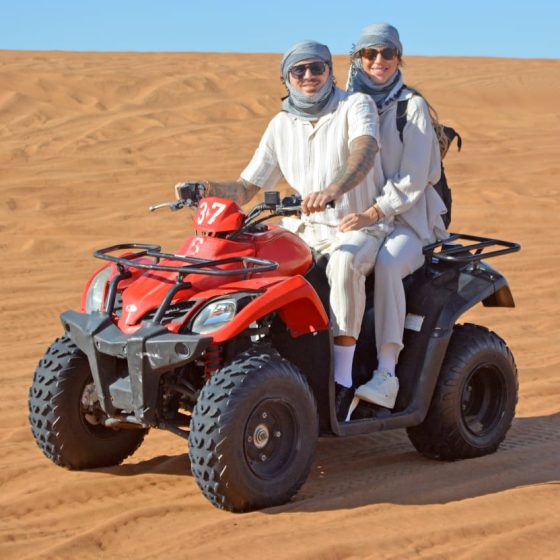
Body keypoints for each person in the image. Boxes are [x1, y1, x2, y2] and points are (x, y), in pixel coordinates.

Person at [175, 40, 392, 418]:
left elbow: (365, 150)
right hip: (302, 229)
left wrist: (334, 189)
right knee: (250, 261)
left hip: (355, 226)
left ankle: (341, 382)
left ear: (330, 72)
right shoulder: (281, 125)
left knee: (343, 265)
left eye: (317, 67)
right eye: (299, 70)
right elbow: (246, 188)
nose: (309, 76)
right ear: (286, 78)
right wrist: (205, 189)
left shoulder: (355, 105)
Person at [344, 23, 448, 411]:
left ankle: (386, 373)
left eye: (387, 53)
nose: (379, 61)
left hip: (410, 221)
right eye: (369, 53)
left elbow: (414, 177)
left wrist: (375, 211)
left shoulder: (410, 107)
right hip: (361, 217)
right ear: (357, 58)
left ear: (398, 58)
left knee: (387, 263)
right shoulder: (348, 106)